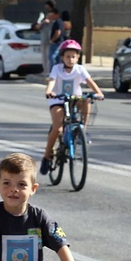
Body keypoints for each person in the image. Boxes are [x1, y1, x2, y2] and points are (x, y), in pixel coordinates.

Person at [40, 40, 103, 175]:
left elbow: (90, 82)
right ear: (62, 57)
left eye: (73, 56)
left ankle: (82, 131)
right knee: (57, 128)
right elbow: (51, 81)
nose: (70, 59)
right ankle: (46, 157)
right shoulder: (57, 69)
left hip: (75, 99)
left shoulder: (80, 69)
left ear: (78, 57)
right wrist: (49, 91)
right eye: (67, 56)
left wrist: (98, 93)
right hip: (58, 99)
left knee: (86, 100)